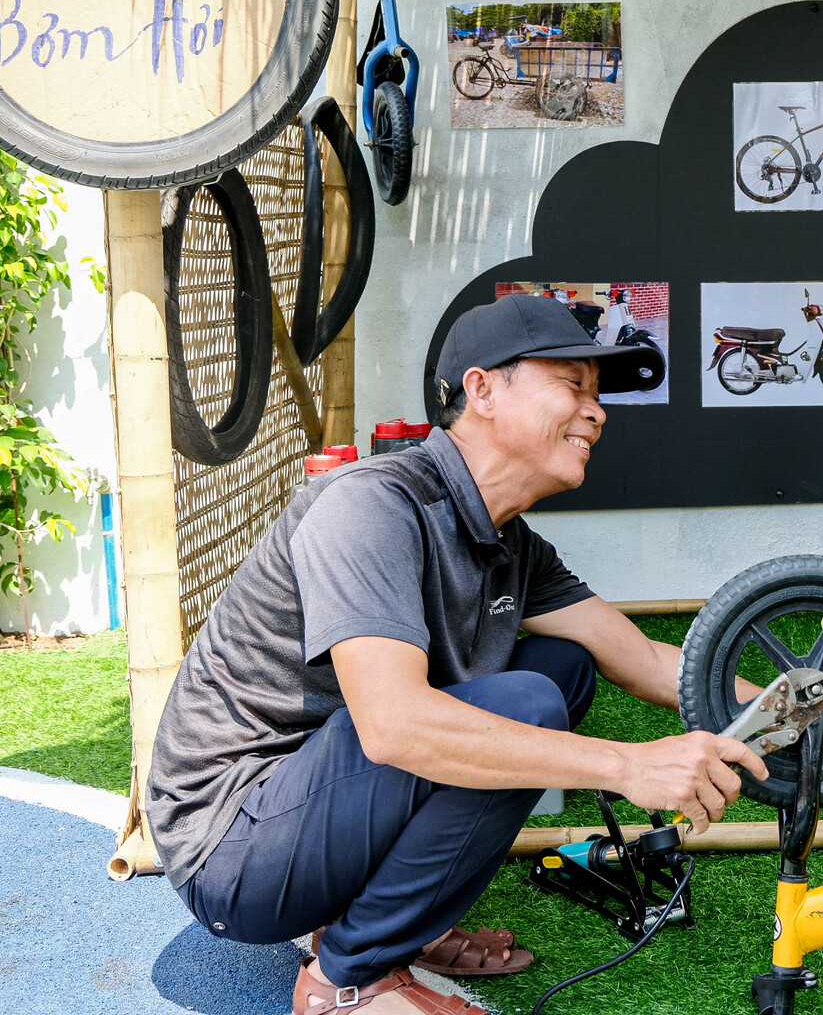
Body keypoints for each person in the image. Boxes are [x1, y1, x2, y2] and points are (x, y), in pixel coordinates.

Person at [146, 295, 773, 1015]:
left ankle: (402, 923)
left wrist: (809, 721)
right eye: (573, 385)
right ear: (481, 389)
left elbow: (645, 659)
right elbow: (393, 726)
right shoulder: (371, 505)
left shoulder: (510, 542)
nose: (597, 413)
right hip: (232, 851)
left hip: (314, 806)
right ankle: (346, 981)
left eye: (599, 397)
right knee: (528, 704)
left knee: (560, 669)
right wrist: (627, 764)